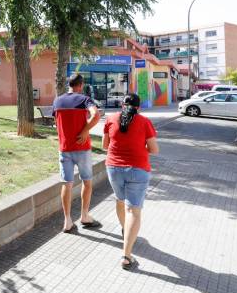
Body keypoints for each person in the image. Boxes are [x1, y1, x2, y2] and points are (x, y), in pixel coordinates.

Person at [102, 93, 159, 270]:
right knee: (133, 210)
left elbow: (105, 145)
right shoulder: (144, 122)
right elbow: (154, 149)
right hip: (138, 170)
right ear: (138, 107)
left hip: (113, 169)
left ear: (122, 105)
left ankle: (125, 229)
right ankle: (126, 256)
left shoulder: (111, 119)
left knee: (120, 201)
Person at [53, 74, 102, 234]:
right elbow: (96, 115)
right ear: (80, 85)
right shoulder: (84, 99)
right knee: (87, 182)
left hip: (64, 148)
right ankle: (84, 216)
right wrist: (85, 131)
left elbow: (57, 124)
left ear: (69, 84)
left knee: (66, 183)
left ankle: (67, 221)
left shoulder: (57, 101)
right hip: (82, 149)